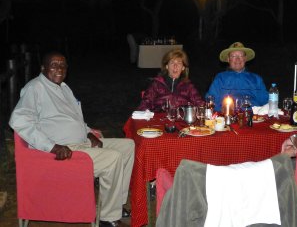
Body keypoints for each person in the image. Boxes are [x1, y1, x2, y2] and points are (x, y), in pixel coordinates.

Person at [9, 52, 134, 227]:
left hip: (81, 142)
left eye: (63, 66)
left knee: (127, 146)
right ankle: (108, 217)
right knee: (113, 158)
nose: (59, 69)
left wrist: (89, 133)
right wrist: (52, 147)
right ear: (43, 68)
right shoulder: (35, 88)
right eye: (54, 65)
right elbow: (19, 120)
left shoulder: (64, 87)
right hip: (63, 151)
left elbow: (75, 119)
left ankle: (115, 204)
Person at [205, 42, 268, 111]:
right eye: (233, 56)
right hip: (227, 117)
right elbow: (211, 100)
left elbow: (266, 102)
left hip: (253, 117)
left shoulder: (256, 79)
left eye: (241, 56)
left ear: (245, 59)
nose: (237, 59)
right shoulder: (220, 78)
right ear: (228, 59)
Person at [137, 48, 203, 111]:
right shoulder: (156, 84)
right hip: (159, 120)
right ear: (167, 66)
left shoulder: (189, 86)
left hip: (181, 121)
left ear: (183, 68)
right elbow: (145, 104)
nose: (175, 66)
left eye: (179, 63)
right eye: (172, 62)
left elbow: (200, 104)